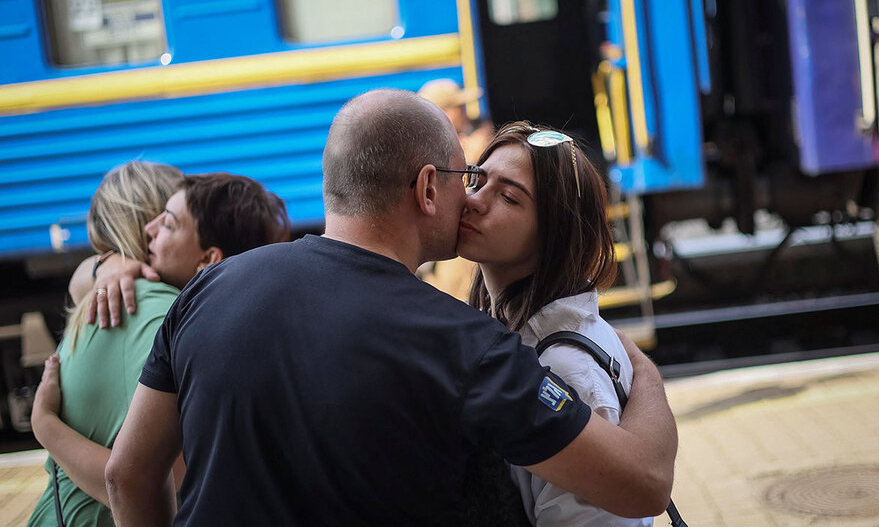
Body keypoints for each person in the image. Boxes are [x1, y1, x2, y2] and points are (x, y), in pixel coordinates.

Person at [105, 88, 677, 526]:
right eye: (467, 178)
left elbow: (127, 474)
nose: (471, 198)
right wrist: (646, 376)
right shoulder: (466, 345)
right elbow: (643, 482)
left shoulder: (207, 291)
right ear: (429, 189)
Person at [28, 168, 289, 527]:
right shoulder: (154, 308)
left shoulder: (125, 299)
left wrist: (46, 427)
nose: (154, 230)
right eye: (159, 218)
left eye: (168, 222)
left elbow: (161, 480)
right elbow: (150, 482)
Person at [458, 122, 653, 525]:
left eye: (509, 198)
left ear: (553, 234)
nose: (475, 201)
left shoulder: (562, 367)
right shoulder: (519, 332)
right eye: (477, 180)